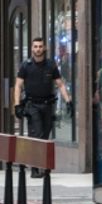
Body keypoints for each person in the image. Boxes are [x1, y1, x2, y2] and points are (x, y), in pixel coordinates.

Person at [14, 37, 72, 176]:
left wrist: (68, 101)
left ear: (44, 48)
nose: (38, 49)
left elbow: (60, 84)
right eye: (35, 46)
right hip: (32, 105)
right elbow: (18, 85)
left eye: (40, 46)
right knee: (37, 134)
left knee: (44, 136)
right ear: (32, 48)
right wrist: (16, 105)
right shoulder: (25, 66)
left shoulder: (51, 65)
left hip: (47, 105)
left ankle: (39, 166)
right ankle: (35, 169)